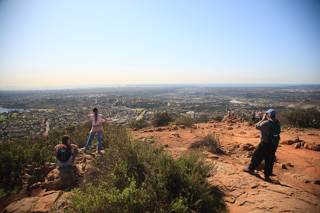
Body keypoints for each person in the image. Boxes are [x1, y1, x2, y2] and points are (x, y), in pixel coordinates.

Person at [243, 109, 281, 181]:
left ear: (268, 115)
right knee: (270, 159)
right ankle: (267, 175)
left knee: (256, 155)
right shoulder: (278, 122)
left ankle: (251, 169)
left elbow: (257, 126)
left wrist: (263, 119)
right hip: (273, 144)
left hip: (265, 143)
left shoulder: (266, 123)